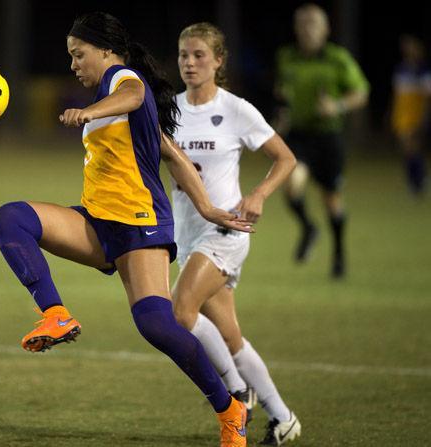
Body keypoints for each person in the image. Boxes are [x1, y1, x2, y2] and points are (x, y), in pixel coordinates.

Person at [0, 11, 253, 447]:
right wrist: (205, 205)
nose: (74, 65)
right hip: (99, 222)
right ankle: (55, 315)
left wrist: (89, 110)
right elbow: (171, 153)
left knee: (156, 325)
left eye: (79, 55)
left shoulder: (121, 79)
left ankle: (230, 409)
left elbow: (133, 93)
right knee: (11, 218)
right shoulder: (107, 96)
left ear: (106, 51)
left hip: (139, 224)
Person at [170, 22, 301, 446]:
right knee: (230, 337)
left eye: (199, 56)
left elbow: (284, 158)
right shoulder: (169, 110)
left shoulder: (237, 110)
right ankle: (283, 417)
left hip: (226, 231)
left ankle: (236, 393)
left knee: (179, 311)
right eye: (183, 55)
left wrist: (259, 194)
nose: (189, 63)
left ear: (218, 61)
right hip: (187, 237)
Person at [275, 3, 369, 278]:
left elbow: (361, 92)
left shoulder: (337, 58)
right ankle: (308, 228)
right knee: (292, 186)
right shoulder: (287, 57)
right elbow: (282, 93)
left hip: (329, 137)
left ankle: (339, 255)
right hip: (299, 136)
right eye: (303, 24)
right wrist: (281, 117)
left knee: (332, 200)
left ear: (325, 28)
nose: (308, 30)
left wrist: (337, 106)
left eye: (313, 24)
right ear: (296, 29)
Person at [391, 33, 431, 196]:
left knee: (413, 148)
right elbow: (396, 95)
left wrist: (425, 116)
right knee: (407, 150)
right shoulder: (400, 68)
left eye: (411, 46)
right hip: (402, 114)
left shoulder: (423, 70)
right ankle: (414, 181)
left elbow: (427, 96)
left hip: (416, 114)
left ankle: (420, 181)